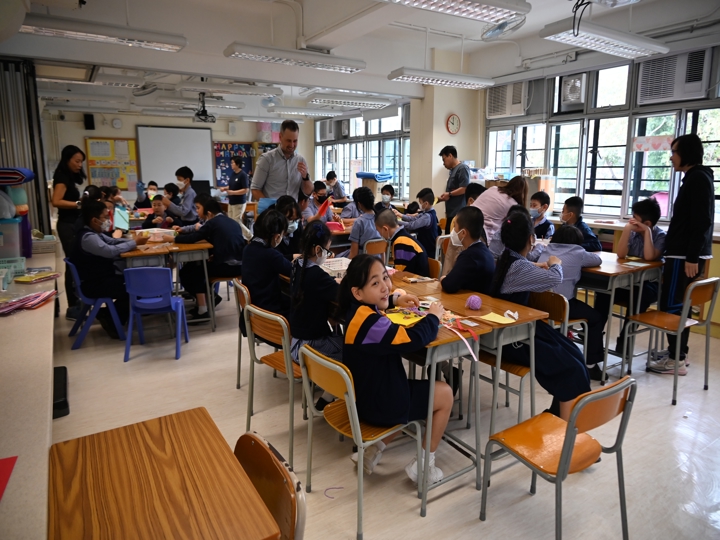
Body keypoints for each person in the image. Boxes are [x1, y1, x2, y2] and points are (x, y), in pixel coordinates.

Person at [339, 254, 452, 482]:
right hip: (380, 405)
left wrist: (394, 300)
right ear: (357, 292)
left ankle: (372, 451)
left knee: (406, 396)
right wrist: (433, 317)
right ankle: (424, 467)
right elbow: (413, 339)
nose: (385, 286)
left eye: (384, 277)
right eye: (375, 283)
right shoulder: (372, 324)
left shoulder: (356, 312)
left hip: (361, 398)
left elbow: (377, 309)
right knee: (445, 394)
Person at [490, 212, 591, 420]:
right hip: (513, 338)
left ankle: (559, 415)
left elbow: (522, 268)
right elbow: (554, 278)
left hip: (518, 327)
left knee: (574, 352)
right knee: (571, 369)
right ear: (531, 239)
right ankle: (567, 429)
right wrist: (555, 263)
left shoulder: (506, 258)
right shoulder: (518, 266)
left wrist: (536, 265)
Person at [648, 134, 714, 375]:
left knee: (673, 307)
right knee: (678, 306)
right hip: (683, 254)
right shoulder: (696, 177)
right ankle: (677, 354)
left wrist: (692, 257)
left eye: (674, 152)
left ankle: (676, 360)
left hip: (683, 256)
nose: (671, 157)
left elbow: (702, 221)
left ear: (687, 153)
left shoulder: (697, 179)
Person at [594, 197, 666, 356]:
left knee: (639, 297)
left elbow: (649, 257)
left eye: (635, 219)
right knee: (605, 292)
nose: (631, 221)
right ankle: (595, 335)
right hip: (629, 282)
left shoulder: (660, 236)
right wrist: (627, 230)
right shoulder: (633, 233)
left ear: (647, 223)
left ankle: (625, 340)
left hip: (650, 285)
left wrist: (647, 232)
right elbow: (620, 254)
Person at [537, 225, 606, 380]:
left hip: (539, 303)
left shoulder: (546, 249)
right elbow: (598, 259)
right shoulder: (578, 252)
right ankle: (591, 365)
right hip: (561, 306)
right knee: (595, 317)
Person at [70, 200, 146, 339]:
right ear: (94, 220)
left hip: (97, 279)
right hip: (93, 284)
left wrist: (132, 242)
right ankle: (112, 320)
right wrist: (134, 243)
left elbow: (112, 241)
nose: (108, 220)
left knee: (133, 282)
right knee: (136, 288)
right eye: (105, 217)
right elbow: (110, 251)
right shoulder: (88, 237)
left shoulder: (94, 233)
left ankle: (107, 314)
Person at [165, 194, 245, 322]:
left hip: (227, 267)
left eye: (198, 208)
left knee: (188, 273)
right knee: (194, 268)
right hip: (241, 266)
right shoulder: (232, 222)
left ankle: (203, 309)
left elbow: (193, 238)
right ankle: (210, 298)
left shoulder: (212, 223)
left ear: (209, 213)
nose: (196, 211)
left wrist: (173, 239)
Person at [51, 144, 86, 320]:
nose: (79, 165)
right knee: (73, 262)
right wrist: (79, 204)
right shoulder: (62, 176)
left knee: (75, 262)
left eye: (81, 162)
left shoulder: (69, 177)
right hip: (67, 225)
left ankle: (77, 303)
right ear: (67, 159)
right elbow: (56, 201)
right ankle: (73, 306)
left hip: (72, 223)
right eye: (77, 161)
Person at [242, 209, 293, 317]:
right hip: (270, 312)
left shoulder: (248, 249)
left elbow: (272, 261)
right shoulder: (271, 255)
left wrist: (291, 257)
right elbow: (293, 270)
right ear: (277, 236)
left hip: (254, 309)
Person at [250, 120, 313, 206]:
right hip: (272, 212)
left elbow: (308, 192)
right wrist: (271, 208)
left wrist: (305, 177)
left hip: (292, 212)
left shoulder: (301, 161)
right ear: (280, 137)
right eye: (288, 141)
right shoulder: (267, 159)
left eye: (295, 141)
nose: (292, 145)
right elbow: (255, 189)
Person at [440, 206, 495, 295]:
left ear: (463, 233)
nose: (453, 230)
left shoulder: (469, 256)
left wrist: (443, 279)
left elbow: (449, 285)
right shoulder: (484, 250)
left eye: (455, 226)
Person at [440, 182, 487, 278]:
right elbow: (452, 259)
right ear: (471, 201)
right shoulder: (461, 221)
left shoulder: (475, 219)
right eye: (482, 202)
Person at [375, 209, 429, 277]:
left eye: (378, 231)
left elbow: (400, 274)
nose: (379, 234)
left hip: (416, 281)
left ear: (385, 229)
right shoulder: (402, 238)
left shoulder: (401, 242)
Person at [472, 175, 528, 241]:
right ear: (523, 193)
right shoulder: (513, 204)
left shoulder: (494, 188)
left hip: (466, 219)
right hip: (481, 232)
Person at [395, 188, 438, 259]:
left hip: (428, 250)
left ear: (426, 203)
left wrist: (395, 222)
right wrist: (400, 215)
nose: (420, 205)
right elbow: (413, 219)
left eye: (420, 202)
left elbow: (411, 225)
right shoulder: (427, 212)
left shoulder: (427, 216)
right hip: (425, 247)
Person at [438, 146, 470, 234]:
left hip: (458, 214)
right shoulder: (452, 170)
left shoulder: (462, 168)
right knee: (448, 238)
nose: (443, 163)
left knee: (453, 239)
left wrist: (449, 194)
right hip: (451, 213)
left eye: (444, 159)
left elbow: (464, 188)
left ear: (450, 156)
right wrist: (441, 199)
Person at [220, 156, 252, 241]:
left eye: (232, 163)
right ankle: (237, 238)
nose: (231, 164)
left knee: (236, 221)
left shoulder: (243, 175)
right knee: (231, 222)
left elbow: (245, 190)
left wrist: (232, 192)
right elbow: (231, 186)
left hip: (239, 203)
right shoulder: (233, 174)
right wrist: (225, 188)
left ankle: (250, 236)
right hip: (231, 202)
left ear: (238, 164)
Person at [346, 186, 381, 259]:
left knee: (338, 256)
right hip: (378, 260)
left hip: (362, 261)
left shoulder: (359, 222)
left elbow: (353, 254)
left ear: (359, 204)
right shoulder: (381, 219)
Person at [274, 195, 304, 260]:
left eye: (296, 219)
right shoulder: (272, 233)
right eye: (290, 219)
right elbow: (272, 258)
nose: (294, 223)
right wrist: (292, 257)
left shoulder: (298, 229)